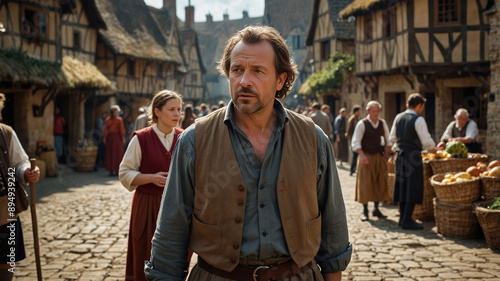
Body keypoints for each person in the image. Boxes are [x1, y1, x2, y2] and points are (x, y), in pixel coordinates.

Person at [145, 25, 351, 281]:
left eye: (257, 71)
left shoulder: (313, 139)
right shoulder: (194, 141)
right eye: (237, 70)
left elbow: (334, 227)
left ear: (280, 80)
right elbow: (171, 230)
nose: (244, 81)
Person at [119, 90, 192, 281]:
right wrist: (151, 178)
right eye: (171, 109)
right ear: (157, 112)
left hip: (177, 206)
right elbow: (125, 172)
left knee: (176, 254)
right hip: (147, 205)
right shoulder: (141, 138)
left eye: (179, 109)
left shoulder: (186, 138)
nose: (177, 114)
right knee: (145, 250)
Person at [0, 93, 40, 281]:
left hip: (4, 212)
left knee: (6, 266)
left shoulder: (6, 133)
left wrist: (26, 172)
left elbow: (19, 162)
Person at [389, 93, 437, 230]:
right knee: (412, 187)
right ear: (420, 105)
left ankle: (402, 218)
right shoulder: (418, 119)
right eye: (422, 107)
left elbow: (392, 138)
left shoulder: (398, 117)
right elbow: (426, 141)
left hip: (400, 155)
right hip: (413, 157)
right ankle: (407, 219)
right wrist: (434, 149)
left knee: (403, 186)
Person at [351, 101, 392, 221]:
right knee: (366, 184)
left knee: (379, 182)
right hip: (366, 157)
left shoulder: (382, 123)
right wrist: (362, 155)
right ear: (368, 111)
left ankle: (376, 209)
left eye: (377, 111)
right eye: (373, 111)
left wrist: (387, 152)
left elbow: (388, 139)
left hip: (379, 157)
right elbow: (356, 142)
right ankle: (365, 211)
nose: (376, 114)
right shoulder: (362, 124)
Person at [103, 105, 125, 176]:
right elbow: (121, 130)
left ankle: (114, 170)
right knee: (115, 154)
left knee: (113, 154)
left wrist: (105, 137)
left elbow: (105, 130)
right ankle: (114, 170)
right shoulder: (118, 120)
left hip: (112, 138)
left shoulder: (108, 119)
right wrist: (123, 138)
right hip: (116, 139)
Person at [346, 105, 361, 176]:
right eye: (359, 111)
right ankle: (352, 170)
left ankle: (354, 169)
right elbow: (349, 130)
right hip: (353, 139)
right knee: (354, 155)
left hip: (356, 138)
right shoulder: (352, 119)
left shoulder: (357, 118)